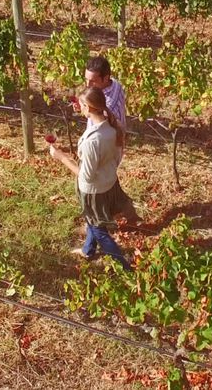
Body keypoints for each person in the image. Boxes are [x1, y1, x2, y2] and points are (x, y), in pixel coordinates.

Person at [49, 87, 133, 271]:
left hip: (94, 192)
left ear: (87, 107)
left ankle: (126, 267)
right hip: (109, 183)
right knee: (92, 221)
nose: (78, 107)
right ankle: (88, 250)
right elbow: (116, 158)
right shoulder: (113, 127)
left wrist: (61, 157)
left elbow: (86, 175)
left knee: (99, 231)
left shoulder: (92, 141)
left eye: (80, 105)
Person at [81, 56, 141, 225]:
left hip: (104, 147)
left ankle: (97, 224)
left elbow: (100, 126)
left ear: (105, 78)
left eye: (92, 81)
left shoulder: (106, 107)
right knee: (109, 180)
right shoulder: (116, 85)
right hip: (114, 145)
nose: (88, 85)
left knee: (95, 184)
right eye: (86, 80)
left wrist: (87, 108)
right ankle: (128, 212)